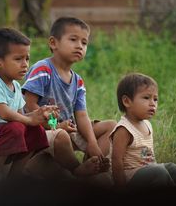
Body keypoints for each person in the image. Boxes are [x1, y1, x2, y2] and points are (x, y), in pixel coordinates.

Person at [22, 16, 116, 179]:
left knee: (111, 126)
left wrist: (92, 143)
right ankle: (77, 170)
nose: (79, 46)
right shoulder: (43, 70)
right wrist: (55, 125)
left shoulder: (78, 81)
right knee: (62, 135)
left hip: (67, 129)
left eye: (84, 42)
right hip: (40, 131)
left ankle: (93, 164)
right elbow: (30, 107)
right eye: (73, 39)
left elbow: (81, 115)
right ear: (53, 43)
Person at [0, 28, 58, 181]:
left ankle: (16, 176)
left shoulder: (16, 86)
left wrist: (40, 115)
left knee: (35, 129)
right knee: (16, 127)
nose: (25, 64)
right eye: (18, 59)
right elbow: (5, 114)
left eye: (27, 59)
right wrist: (29, 119)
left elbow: (22, 117)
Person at [110, 72, 176, 188]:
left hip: (151, 172)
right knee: (159, 171)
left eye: (155, 99)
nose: (153, 104)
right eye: (146, 98)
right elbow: (117, 162)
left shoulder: (147, 124)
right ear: (127, 101)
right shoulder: (124, 129)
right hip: (132, 179)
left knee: (172, 167)